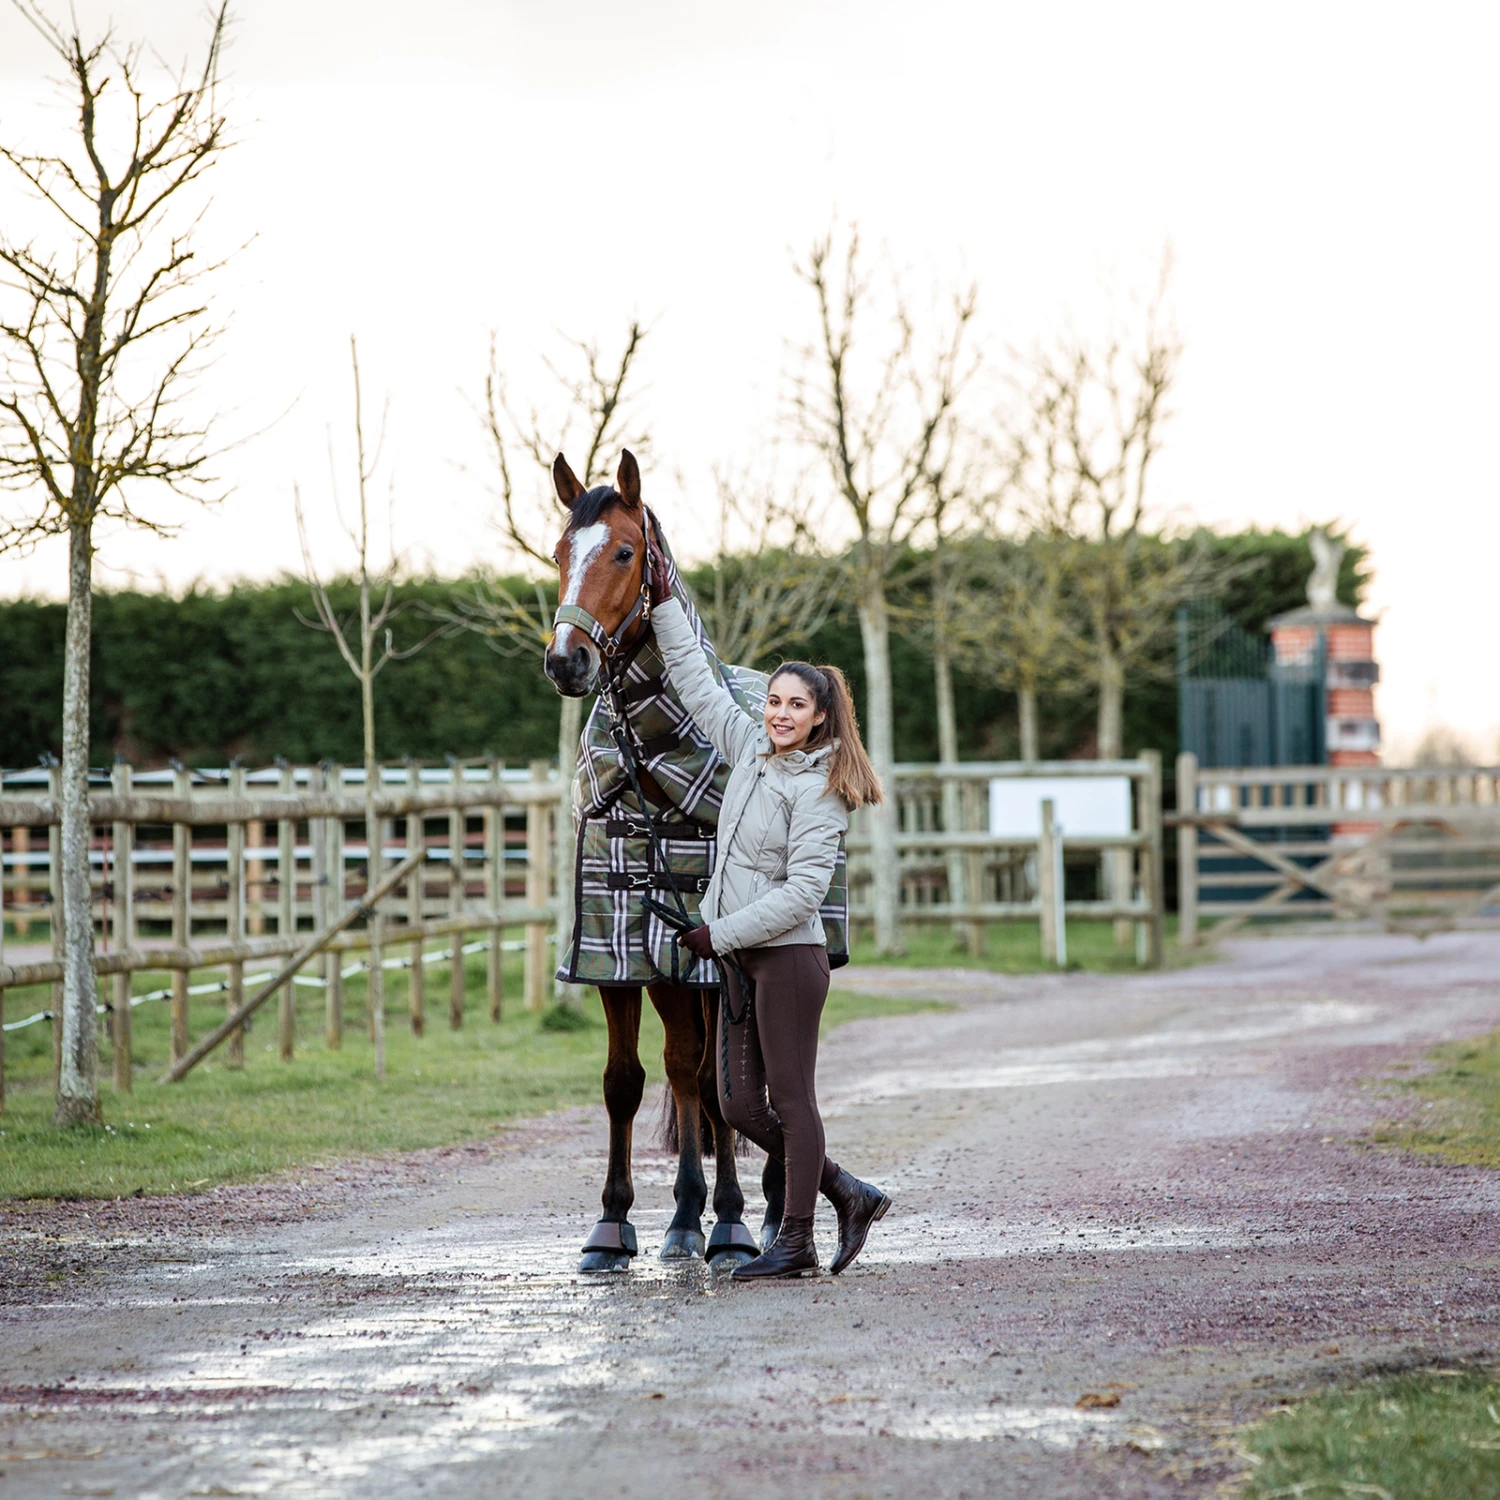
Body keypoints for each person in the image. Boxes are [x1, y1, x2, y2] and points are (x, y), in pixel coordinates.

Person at [647, 544, 891, 1280]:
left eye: (796, 706)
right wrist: (662, 595)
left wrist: (717, 932)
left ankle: (796, 1239)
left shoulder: (821, 791)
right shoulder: (750, 749)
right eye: (774, 701)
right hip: (741, 958)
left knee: (789, 1100)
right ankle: (847, 1191)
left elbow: (803, 895)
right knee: (736, 1105)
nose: (780, 714)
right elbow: (695, 679)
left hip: (788, 961)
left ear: (819, 719)